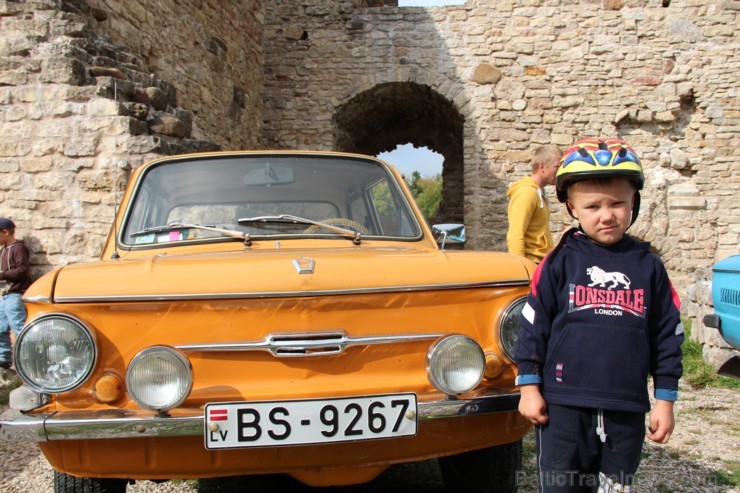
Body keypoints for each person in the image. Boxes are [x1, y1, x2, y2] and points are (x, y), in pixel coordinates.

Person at [514, 137, 684, 492]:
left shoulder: (649, 266)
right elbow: (533, 326)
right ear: (572, 207)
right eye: (592, 206)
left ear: (633, 201)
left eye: (617, 203)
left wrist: (665, 400)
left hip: (626, 408)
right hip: (564, 408)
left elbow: (667, 335)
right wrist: (529, 386)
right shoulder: (559, 261)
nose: (606, 215)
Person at [506, 144, 562, 264]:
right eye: (557, 167)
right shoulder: (527, 193)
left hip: (540, 264)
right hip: (532, 265)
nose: (559, 172)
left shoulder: (538, 192)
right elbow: (515, 234)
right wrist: (520, 269)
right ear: (542, 166)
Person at [0, 217, 32, 370]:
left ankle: (26, 360)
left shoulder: (18, 248)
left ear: (5, 232)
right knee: (0, 327)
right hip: (4, 295)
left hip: (15, 294)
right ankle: (3, 359)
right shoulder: (3, 250)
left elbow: (22, 270)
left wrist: (2, 274)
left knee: (18, 327)